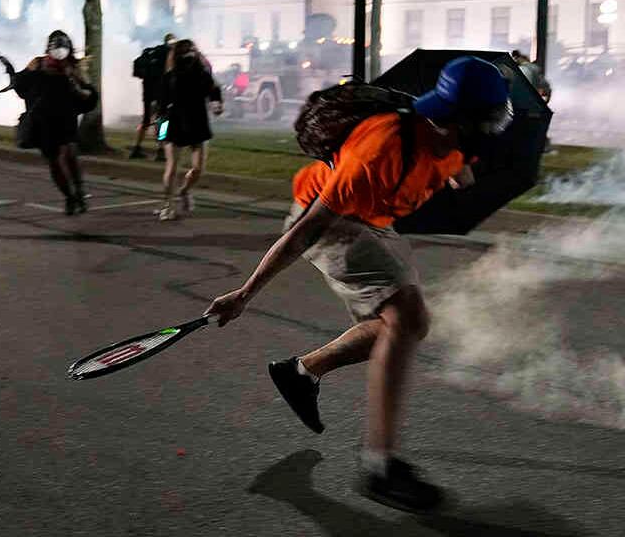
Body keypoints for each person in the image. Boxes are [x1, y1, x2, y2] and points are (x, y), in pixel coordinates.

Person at [205, 56, 513, 512]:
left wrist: (461, 178)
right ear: (454, 121)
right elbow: (304, 232)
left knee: (407, 327)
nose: (490, 134)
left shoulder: (457, 143)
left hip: (374, 221)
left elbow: (458, 170)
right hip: (331, 221)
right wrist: (245, 294)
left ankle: (302, 371)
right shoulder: (379, 150)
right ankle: (379, 468)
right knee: (406, 319)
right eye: (484, 124)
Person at [11, 31, 98, 215]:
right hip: (43, 121)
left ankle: (79, 191)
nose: (58, 51)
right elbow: (21, 86)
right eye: (55, 47)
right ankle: (69, 197)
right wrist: (20, 75)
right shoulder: (38, 63)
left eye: (62, 47)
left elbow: (88, 93)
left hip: (65, 119)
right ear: (49, 48)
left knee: (69, 154)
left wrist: (77, 84)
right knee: (54, 161)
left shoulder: (73, 68)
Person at [156, 39, 223, 220]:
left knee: (198, 168)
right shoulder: (170, 77)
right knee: (171, 167)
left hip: (197, 123)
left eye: (192, 51)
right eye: (186, 51)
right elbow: (162, 108)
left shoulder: (202, 74)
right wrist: (160, 134)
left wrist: (217, 104)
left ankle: (184, 190)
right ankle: (167, 205)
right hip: (174, 124)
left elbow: (214, 89)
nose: (190, 55)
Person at [129, 33, 176, 160]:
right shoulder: (169, 53)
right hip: (162, 93)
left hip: (147, 93)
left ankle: (136, 149)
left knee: (146, 121)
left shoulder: (152, 53)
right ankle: (161, 150)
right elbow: (169, 73)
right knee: (163, 121)